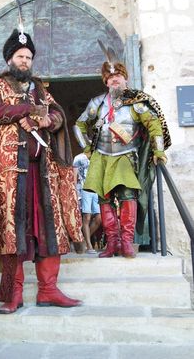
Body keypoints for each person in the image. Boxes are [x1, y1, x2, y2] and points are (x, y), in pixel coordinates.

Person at [0, 24, 84, 314]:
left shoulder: (39, 87)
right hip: (9, 175)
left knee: (47, 230)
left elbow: (58, 113)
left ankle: (49, 290)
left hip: (43, 174)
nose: (24, 61)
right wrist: (26, 110)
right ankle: (13, 294)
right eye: (20, 57)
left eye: (28, 57)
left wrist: (45, 121)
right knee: (10, 232)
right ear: (9, 59)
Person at [73, 47, 171, 259]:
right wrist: (87, 149)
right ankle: (112, 243)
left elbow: (154, 126)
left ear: (125, 78)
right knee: (104, 199)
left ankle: (126, 242)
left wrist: (159, 151)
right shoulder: (97, 103)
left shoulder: (137, 103)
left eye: (117, 76)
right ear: (105, 81)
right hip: (100, 156)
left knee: (127, 197)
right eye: (110, 77)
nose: (114, 80)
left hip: (126, 156)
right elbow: (79, 125)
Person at [73, 152, 101, 253]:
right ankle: (89, 246)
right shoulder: (79, 158)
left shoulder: (99, 156)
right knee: (87, 217)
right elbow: (74, 177)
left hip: (96, 190)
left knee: (99, 218)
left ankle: (83, 240)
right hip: (84, 190)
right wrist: (75, 193)